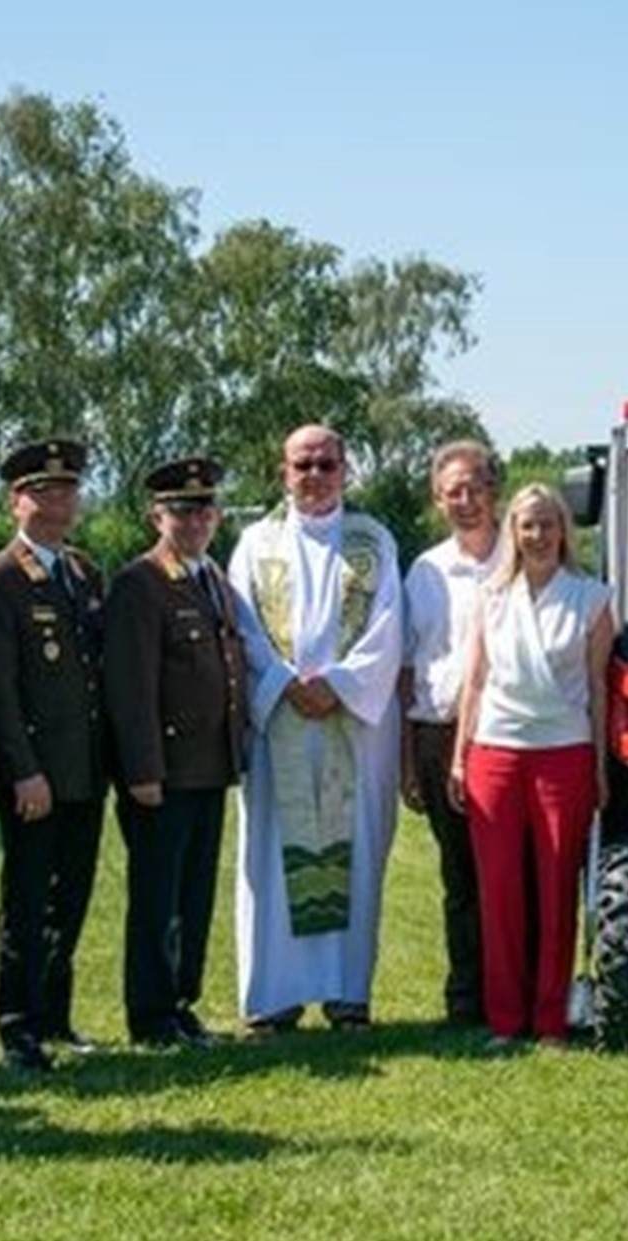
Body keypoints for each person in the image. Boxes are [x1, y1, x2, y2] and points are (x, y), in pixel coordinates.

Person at [226, 424, 402, 1033]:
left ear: (346, 470)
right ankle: (274, 998)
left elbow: (388, 628)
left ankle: (348, 994)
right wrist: (282, 684)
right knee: (273, 858)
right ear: (284, 473)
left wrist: (342, 685)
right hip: (280, 724)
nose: (315, 476)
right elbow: (240, 624)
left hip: (355, 729)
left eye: (327, 464)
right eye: (303, 465)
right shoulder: (254, 543)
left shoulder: (373, 540)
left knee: (354, 852)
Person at [0, 440, 108, 1073]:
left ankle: (54, 1014)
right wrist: (23, 770)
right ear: (14, 501)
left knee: (69, 897)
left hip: (85, 769)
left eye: (67, 489)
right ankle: (17, 1026)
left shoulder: (81, 571)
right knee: (25, 901)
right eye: (42, 491)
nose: (58, 501)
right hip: (35, 774)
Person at [449, 483, 614, 1048]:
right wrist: (459, 756)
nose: (537, 536)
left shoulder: (592, 598)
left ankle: (550, 1019)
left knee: (555, 890)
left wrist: (599, 765)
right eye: (527, 526)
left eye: (547, 524)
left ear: (563, 530)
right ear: (512, 533)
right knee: (498, 893)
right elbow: (473, 680)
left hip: (564, 754)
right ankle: (504, 1019)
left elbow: (596, 687)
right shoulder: (490, 597)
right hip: (494, 753)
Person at [103, 457, 248, 1048]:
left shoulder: (210, 575)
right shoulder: (140, 584)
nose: (194, 521)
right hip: (161, 773)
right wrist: (142, 771)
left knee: (193, 895)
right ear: (156, 515)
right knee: (158, 897)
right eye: (181, 511)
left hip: (208, 767)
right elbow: (130, 689)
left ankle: (181, 1003)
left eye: (204, 510)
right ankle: (151, 1013)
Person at [401, 440, 502, 1026]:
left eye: (473, 488)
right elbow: (410, 666)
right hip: (438, 732)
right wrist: (410, 761)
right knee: (459, 873)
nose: (464, 501)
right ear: (438, 500)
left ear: (493, 490)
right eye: (451, 492)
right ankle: (466, 997)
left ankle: (518, 990)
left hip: (509, 735)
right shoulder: (426, 570)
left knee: (512, 872)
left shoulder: (524, 556)